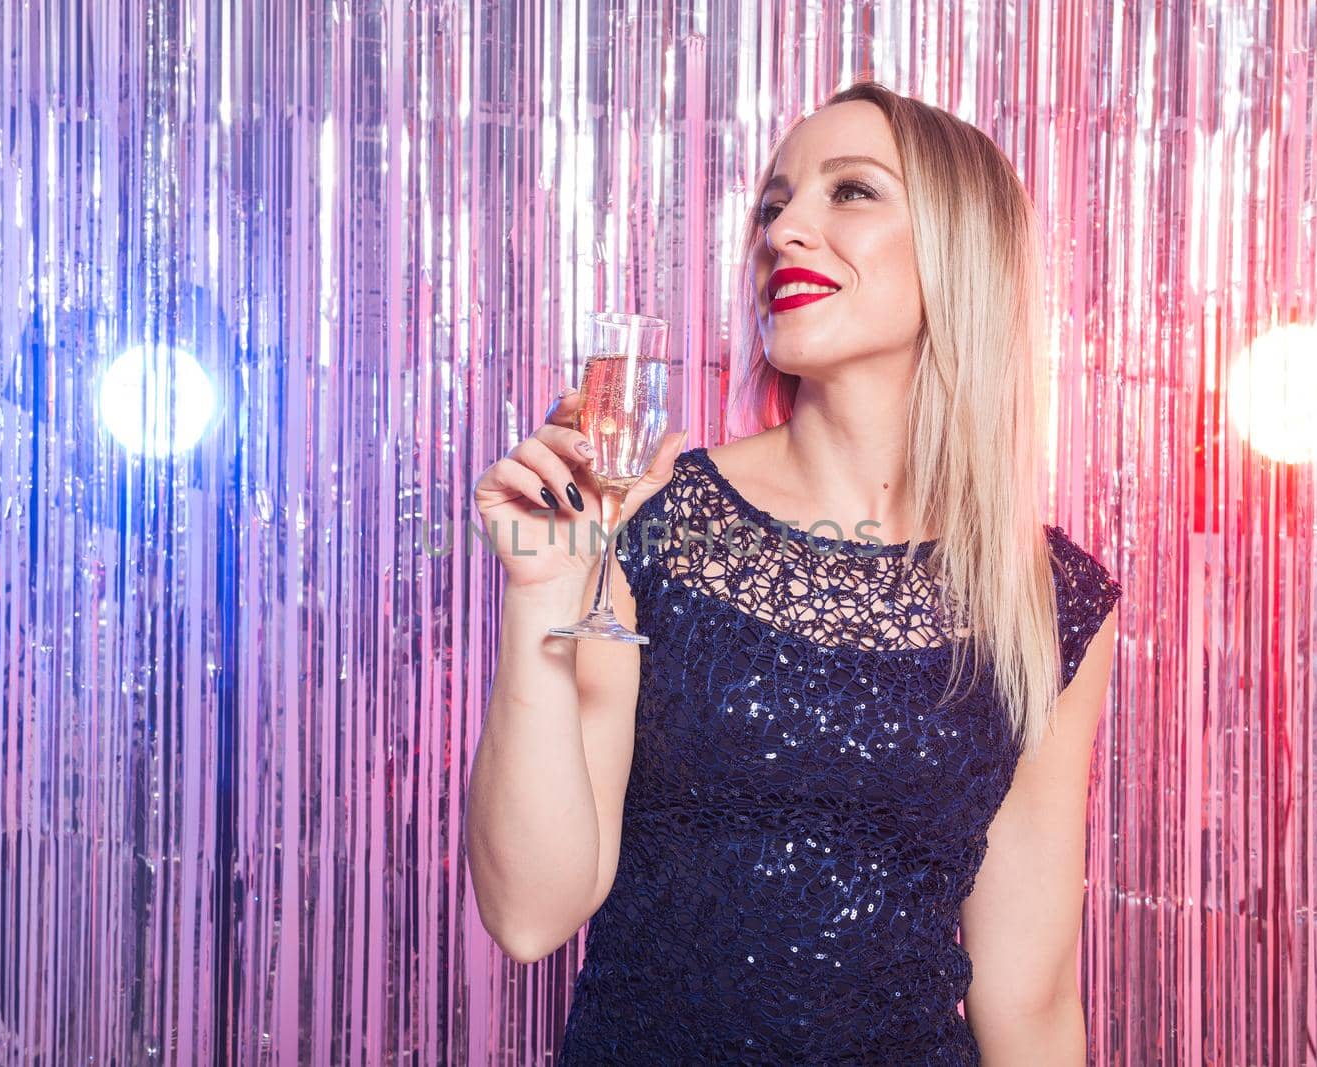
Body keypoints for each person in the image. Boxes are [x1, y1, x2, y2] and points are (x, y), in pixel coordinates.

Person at [467, 79, 1122, 1065]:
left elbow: (1027, 999)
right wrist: (542, 598)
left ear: (960, 249)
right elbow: (529, 912)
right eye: (773, 206)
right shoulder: (652, 522)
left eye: (849, 192)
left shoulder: (1045, 596)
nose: (784, 231)